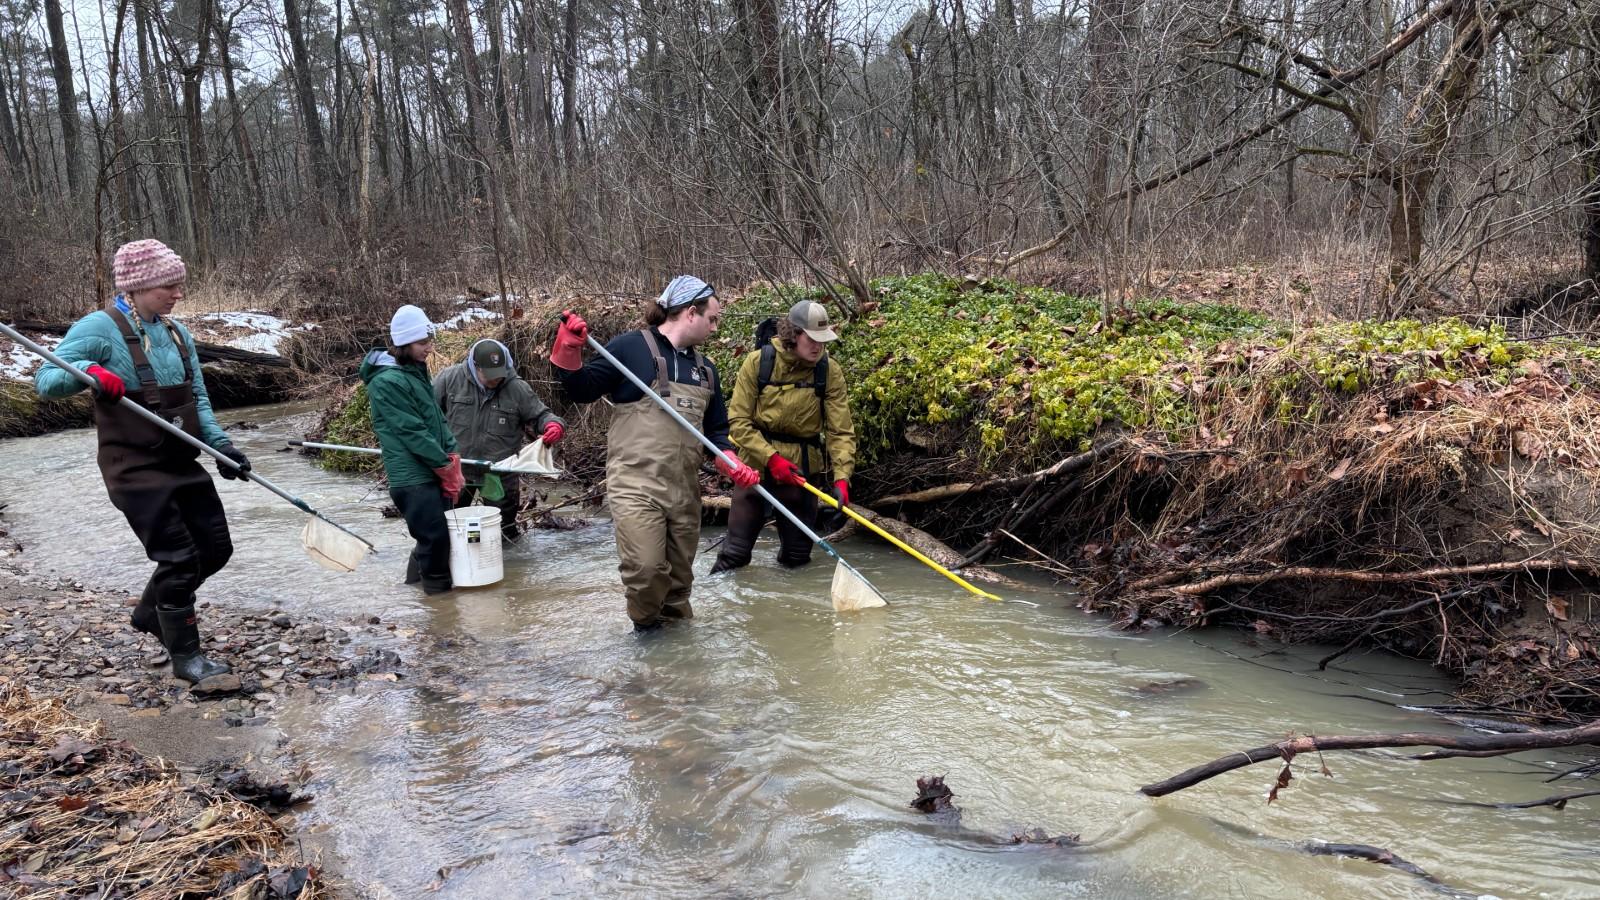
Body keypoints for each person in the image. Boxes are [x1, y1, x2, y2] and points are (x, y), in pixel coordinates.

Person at [33, 239, 244, 683]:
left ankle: (153, 611)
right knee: (181, 559)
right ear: (138, 286)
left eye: (179, 285)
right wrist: (90, 374)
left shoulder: (176, 334)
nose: (178, 294)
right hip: (133, 467)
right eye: (169, 286)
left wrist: (221, 447)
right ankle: (187, 658)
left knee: (216, 548)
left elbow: (198, 398)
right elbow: (47, 379)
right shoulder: (98, 328)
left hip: (182, 460)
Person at [550, 275, 760, 631]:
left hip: (684, 490)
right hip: (635, 486)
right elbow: (580, 389)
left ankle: (677, 665)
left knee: (678, 588)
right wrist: (567, 348)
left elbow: (716, 435)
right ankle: (646, 645)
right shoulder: (630, 349)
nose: (715, 326)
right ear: (690, 313)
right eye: (713, 318)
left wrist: (730, 461)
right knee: (646, 572)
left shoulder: (706, 371)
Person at [711, 300, 856, 573]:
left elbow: (840, 430)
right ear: (794, 334)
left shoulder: (829, 370)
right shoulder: (757, 363)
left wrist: (842, 478)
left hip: (802, 474)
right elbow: (738, 421)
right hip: (755, 471)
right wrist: (772, 460)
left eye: (823, 341)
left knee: (797, 558)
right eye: (811, 339)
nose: (818, 347)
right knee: (734, 555)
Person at [363, 304, 463, 595]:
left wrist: (452, 454)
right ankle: (440, 604)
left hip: (430, 469)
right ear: (403, 343)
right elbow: (412, 431)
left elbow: (436, 421)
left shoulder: (414, 374)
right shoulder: (386, 382)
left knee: (432, 539)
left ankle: (413, 594)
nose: (429, 348)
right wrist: (444, 466)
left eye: (429, 341)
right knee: (435, 538)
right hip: (412, 477)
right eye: (423, 343)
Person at [434, 338, 565, 540]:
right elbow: (424, 414)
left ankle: (508, 568)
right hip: (457, 472)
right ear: (475, 367)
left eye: (499, 374)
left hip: (498, 474)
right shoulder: (449, 379)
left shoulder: (516, 388)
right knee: (451, 529)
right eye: (490, 375)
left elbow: (542, 415)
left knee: (503, 534)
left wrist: (553, 426)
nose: (496, 380)